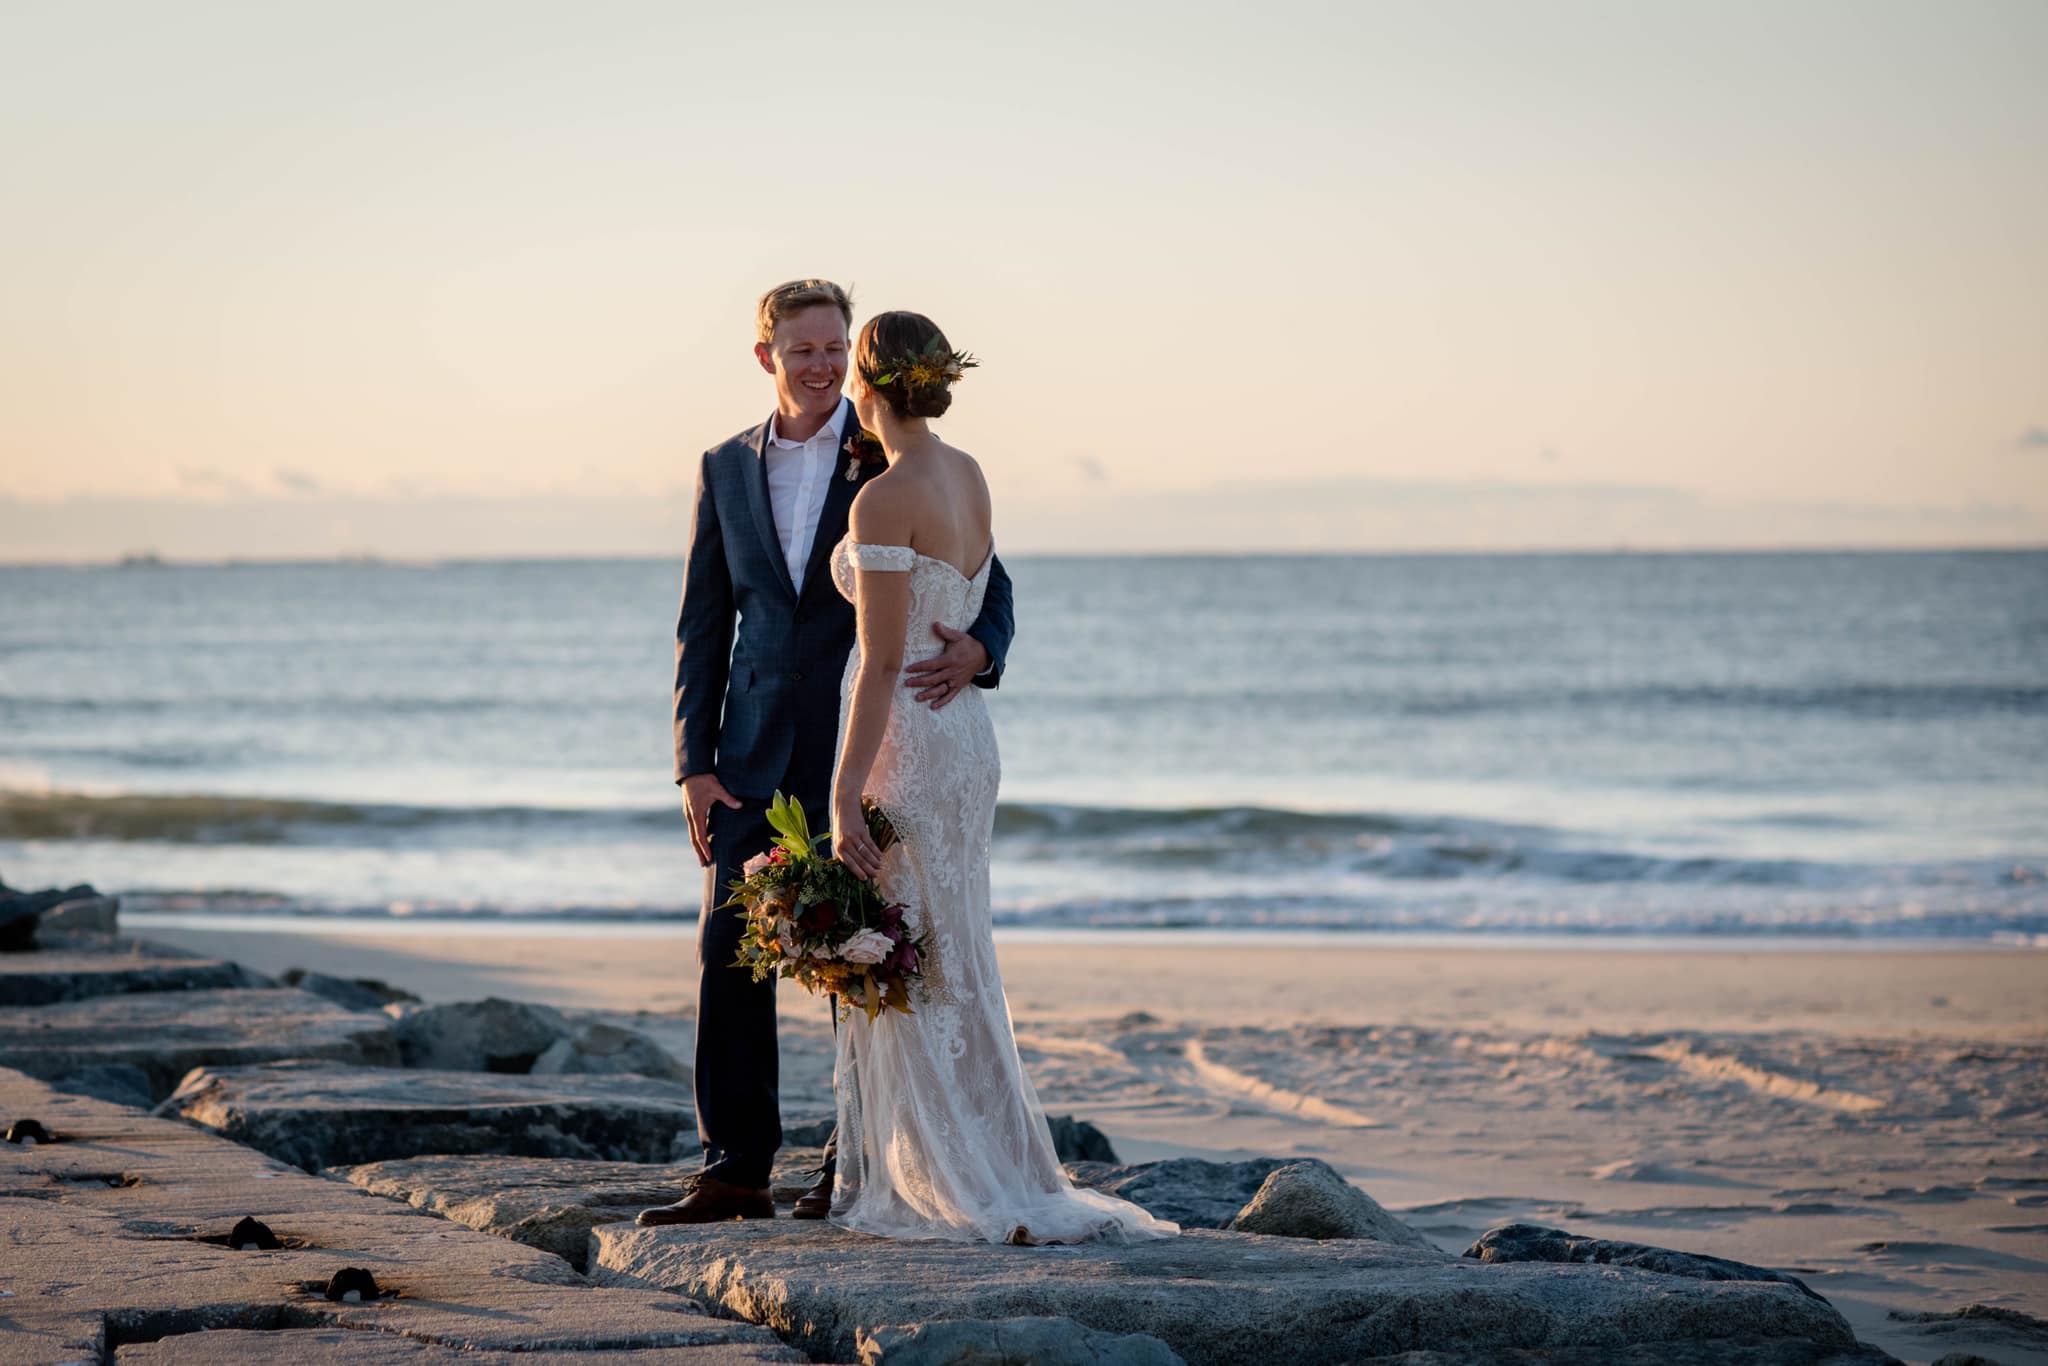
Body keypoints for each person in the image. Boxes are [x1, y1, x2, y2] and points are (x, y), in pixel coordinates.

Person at [638, 282, 1016, 1226]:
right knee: (728, 948)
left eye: (834, 348)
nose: (819, 365)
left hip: (870, 743)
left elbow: (985, 575)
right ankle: (734, 1170)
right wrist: (695, 760)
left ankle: (852, 1172)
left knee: (870, 955)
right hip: (750, 751)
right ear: (764, 355)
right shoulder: (723, 467)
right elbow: (703, 622)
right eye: (801, 349)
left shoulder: (888, 454)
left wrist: (983, 650)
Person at [823, 310, 1177, 1245]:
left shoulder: (882, 500)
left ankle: (951, 1176)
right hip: (967, 735)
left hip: (908, 733)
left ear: (866, 382)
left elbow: (885, 659)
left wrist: (842, 790)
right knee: (956, 950)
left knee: (912, 953)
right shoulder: (969, 472)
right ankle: (989, 1161)